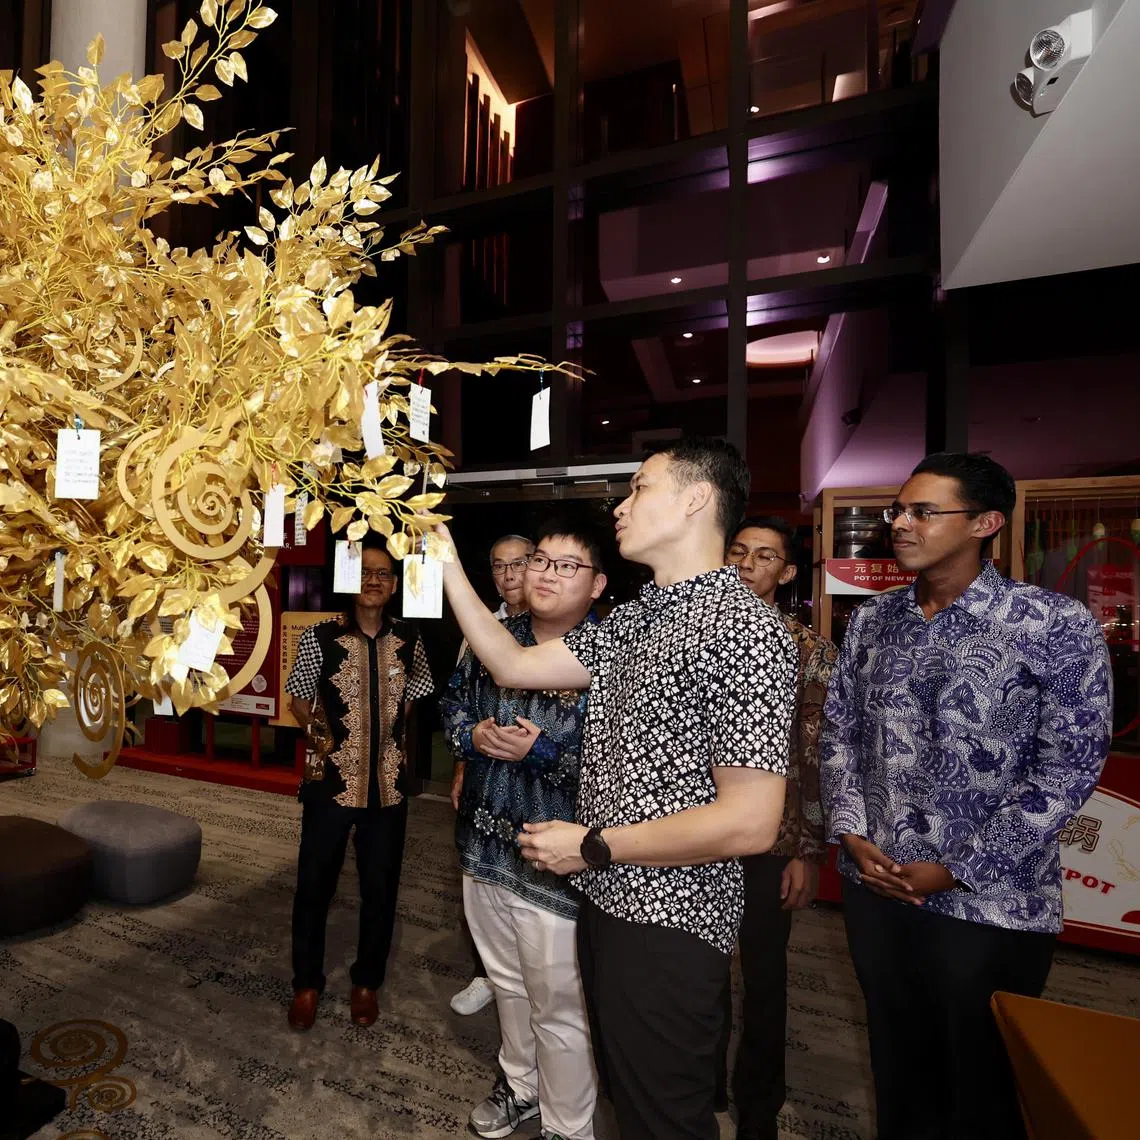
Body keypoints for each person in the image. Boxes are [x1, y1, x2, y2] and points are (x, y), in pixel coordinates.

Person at [436, 438, 796, 1140]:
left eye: (639, 489)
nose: (622, 506)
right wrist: (444, 553)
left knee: (666, 1114)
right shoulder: (639, 616)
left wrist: (594, 845)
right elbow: (510, 663)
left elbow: (752, 821)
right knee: (630, 1100)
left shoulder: (743, 629)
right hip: (608, 900)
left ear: (695, 499)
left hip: (671, 915)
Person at [820, 452, 1112, 1140]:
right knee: (898, 1070)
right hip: (877, 886)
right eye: (898, 509)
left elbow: (1069, 766)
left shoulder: (1053, 624)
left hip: (992, 901)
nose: (900, 523)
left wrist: (961, 867)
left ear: (985, 522)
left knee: (980, 1089)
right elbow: (840, 734)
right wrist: (853, 835)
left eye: (924, 511)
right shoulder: (873, 621)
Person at [442, 519, 606, 1140]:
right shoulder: (494, 638)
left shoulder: (611, 654)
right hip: (485, 843)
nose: (545, 573)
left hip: (556, 862)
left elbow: (630, 762)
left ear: (597, 585)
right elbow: (453, 704)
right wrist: (473, 736)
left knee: (560, 1007)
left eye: (567, 565)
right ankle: (520, 1088)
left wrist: (544, 752)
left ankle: (569, 1125)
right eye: (540, 560)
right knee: (507, 984)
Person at [718, 517, 838, 1140]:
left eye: (764, 556)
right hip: (696, 832)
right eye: (738, 551)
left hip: (772, 837)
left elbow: (813, 759)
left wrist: (805, 851)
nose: (747, 564)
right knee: (700, 968)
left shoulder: (810, 651)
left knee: (763, 975)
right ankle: (703, 1082)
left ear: (786, 572)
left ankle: (758, 1104)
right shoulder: (692, 635)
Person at [284, 536, 434, 1031]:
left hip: (387, 788)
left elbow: (412, 700)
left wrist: (383, 737)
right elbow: (299, 698)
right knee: (313, 885)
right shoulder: (322, 636)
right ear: (350, 581)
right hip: (330, 782)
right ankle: (306, 981)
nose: (374, 580)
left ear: (395, 586)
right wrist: (323, 737)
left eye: (383, 574)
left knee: (381, 887)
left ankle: (366, 981)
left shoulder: (409, 641)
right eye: (365, 572)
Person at [450, 532, 536, 1018]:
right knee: (476, 871)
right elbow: (460, 704)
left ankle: (529, 975)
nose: (509, 576)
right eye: (499, 566)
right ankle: (486, 972)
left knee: (529, 881)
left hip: (535, 783)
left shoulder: (556, 631)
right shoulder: (477, 628)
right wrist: (462, 765)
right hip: (484, 775)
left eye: (519, 563)